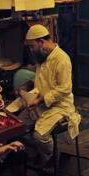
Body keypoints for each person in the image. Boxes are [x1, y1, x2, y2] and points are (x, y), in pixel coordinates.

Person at [23, 24, 81, 165]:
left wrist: (40, 100)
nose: (31, 50)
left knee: (39, 137)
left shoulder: (62, 59)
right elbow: (41, 79)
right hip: (41, 104)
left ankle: (51, 159)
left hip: (60, 107)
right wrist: (25, 87)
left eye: (32, 46)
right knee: (18, 127)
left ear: (42, 42)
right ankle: (38, 154)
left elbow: (64, 89)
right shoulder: (42, 56)